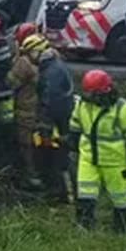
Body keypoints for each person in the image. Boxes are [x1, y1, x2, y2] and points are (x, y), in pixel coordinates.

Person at [66, 70, 126, 233]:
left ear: (105, 91)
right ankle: (85, 225)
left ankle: (121, 228)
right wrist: (72, 142)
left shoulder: (122, 108)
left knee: (120, 198)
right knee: (85, 193)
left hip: (115, 162)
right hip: (89, 158)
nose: (90, 98)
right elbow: (75, 124)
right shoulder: (83, 104)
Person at [22, 34, 74, 203]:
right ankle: (61, 191)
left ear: (36, 52)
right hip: (62, 120)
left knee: (58, 158)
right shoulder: (54, 65)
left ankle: (64, 194)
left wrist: (45, 125)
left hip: (58, 123)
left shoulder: (51, 72)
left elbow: (51, 100)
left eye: (29, 54)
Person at [8, 32, 42, 190]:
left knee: (25, 145)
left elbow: (11, 82)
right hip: (39, 110)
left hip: (25, 111)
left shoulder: (24, 63)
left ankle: (31, 177)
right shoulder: (47, 58)